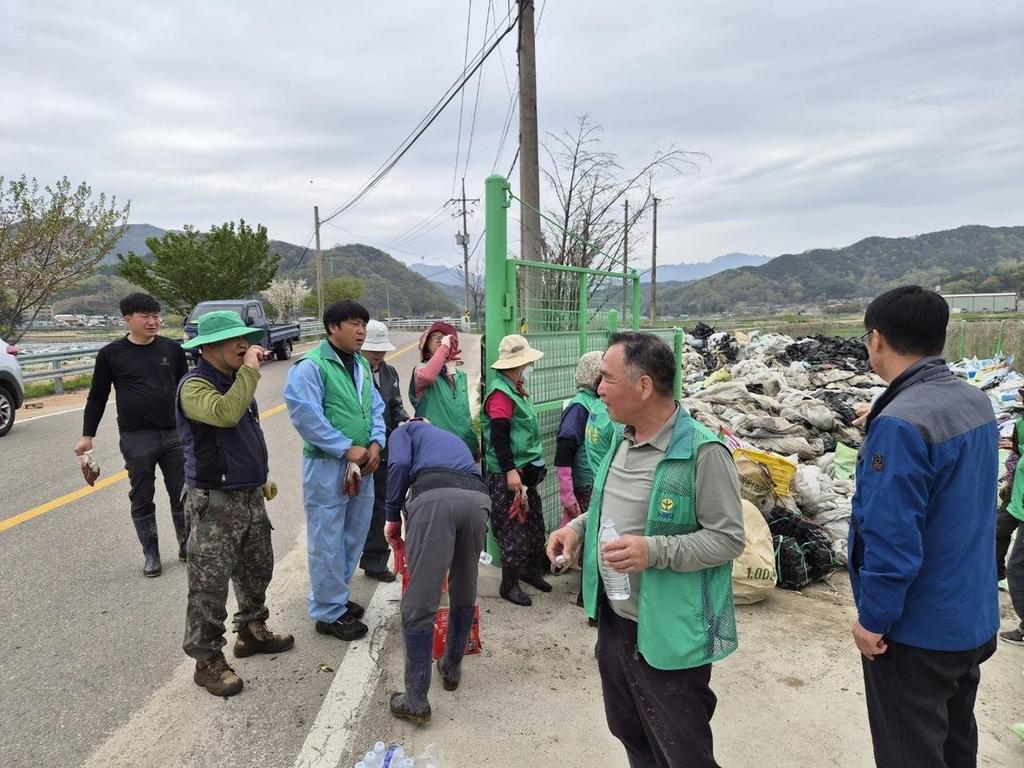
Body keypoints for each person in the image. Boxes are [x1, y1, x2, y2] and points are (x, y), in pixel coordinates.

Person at [547, 332, 744, 768]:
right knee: (631, 732)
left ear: (643, 387)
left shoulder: (703, 452)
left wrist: (653, 551)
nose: (598, 389)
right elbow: (607, 506)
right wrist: (577, 529)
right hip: (616, 621)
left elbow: (728, 538)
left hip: (668, 632)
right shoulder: (622, 439)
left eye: (607, 378)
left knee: (683, 752)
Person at [848, 286, 998, 767]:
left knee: (909, 753)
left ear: (876, 339)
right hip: (971, 617)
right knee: (956, 743)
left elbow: (891, 541)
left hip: (918, 632)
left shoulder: (900, 425)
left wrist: (873, 620)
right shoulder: (974, 401)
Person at [177, 310, 294, 697]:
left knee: (257, 567)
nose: (244, 345)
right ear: (209, 346)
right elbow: (224, 416)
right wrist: (250, 372)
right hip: (214, 499)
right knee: (208, 586)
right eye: (234, 340)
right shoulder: (195, 386)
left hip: (249, 493)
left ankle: (252, 630)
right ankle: (207, 660)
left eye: (246, 338)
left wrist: (262, 475)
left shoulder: (236, 380)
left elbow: (247, 436)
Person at [284, 300, 386, 642]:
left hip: (362, 465)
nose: (361, 331)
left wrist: (376, 443)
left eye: (364, 324)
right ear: (332, 328)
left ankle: (336, 597)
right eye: (354, 324)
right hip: (327, 466)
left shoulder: (360, 364)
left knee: (353, 534)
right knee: (327, 539)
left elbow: (375, 408)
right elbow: (306, 416)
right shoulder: (311, 366)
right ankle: (328, 611)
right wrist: (345, 447)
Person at [74, 292, 189, 577]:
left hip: (174, 433)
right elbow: (97, 396)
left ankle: (186, 545)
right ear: (127, 319)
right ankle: (151, 554)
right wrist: (88, 435)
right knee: (141, 495)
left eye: (156, 315)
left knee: (182, 492)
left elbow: (186, 390)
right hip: (137, 437)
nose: (153, 321)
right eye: (145, 316)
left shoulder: (172, 349)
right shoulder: (111, 354)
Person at [383, 419, 489, 725]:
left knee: (421, 599)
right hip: (477, 500)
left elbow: (399, 463)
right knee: (464, 585)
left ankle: (416, 699)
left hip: (434, 499)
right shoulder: (447, 435)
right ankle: (451, 669)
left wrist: (392, 515)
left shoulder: (404, 431)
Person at [481, 334, 550, 607]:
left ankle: (530, 571)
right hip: (508, 474)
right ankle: (508, 585)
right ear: (517, 365)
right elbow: (499, 437)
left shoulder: (516, 389)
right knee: (512, 530)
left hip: (525, 471)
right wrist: (509, 471)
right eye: (526, 363)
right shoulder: (501, 394)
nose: (529, 367)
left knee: (534, 525)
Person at [358, 319, 410, 583]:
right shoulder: (354, 372)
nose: (378, 354)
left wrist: (406, 423)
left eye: (381, 349)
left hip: (386, 451)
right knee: (353, 511)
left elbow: (396, 406)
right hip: (357, 451)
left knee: (382, 506)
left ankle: (375, 561)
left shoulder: (390, 373)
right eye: (372, 349)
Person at [554, 351, 616, 527]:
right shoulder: (579, 407)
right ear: (593, 377)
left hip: (595, 480)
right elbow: (564, 449)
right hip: (585, 484)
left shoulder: (597, 402)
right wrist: (567, 494)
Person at [408, 321, 477, 458]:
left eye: (444, 338)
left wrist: (473, 445)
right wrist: (444, 347)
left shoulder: (459, 376)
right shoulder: (420, 370)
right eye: (436, 337)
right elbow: (428, 376)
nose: (441, 340)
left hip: (461, 449)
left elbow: (463, 414)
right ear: (425, 346)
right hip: (433, 450)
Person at [998, 414, 1024, 645]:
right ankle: (994, 574)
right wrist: (1008, 481)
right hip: (1016, 497)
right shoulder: (1020, 424)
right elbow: (1016, 454)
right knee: (996, 531)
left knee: (1017, 568)